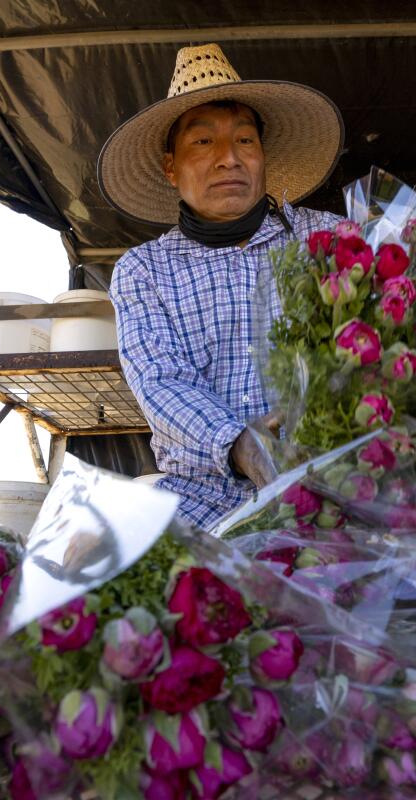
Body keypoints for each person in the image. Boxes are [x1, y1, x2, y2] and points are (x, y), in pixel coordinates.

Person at [99, 43, 344, 528]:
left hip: (336, 482)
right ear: (171, 167)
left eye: (245, 141)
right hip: (201, 497)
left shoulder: (330, 238)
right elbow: (159, 381)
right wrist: (241, 444)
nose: (228, 158)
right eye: (203, 142)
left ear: (263, 155)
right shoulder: (144, 270)